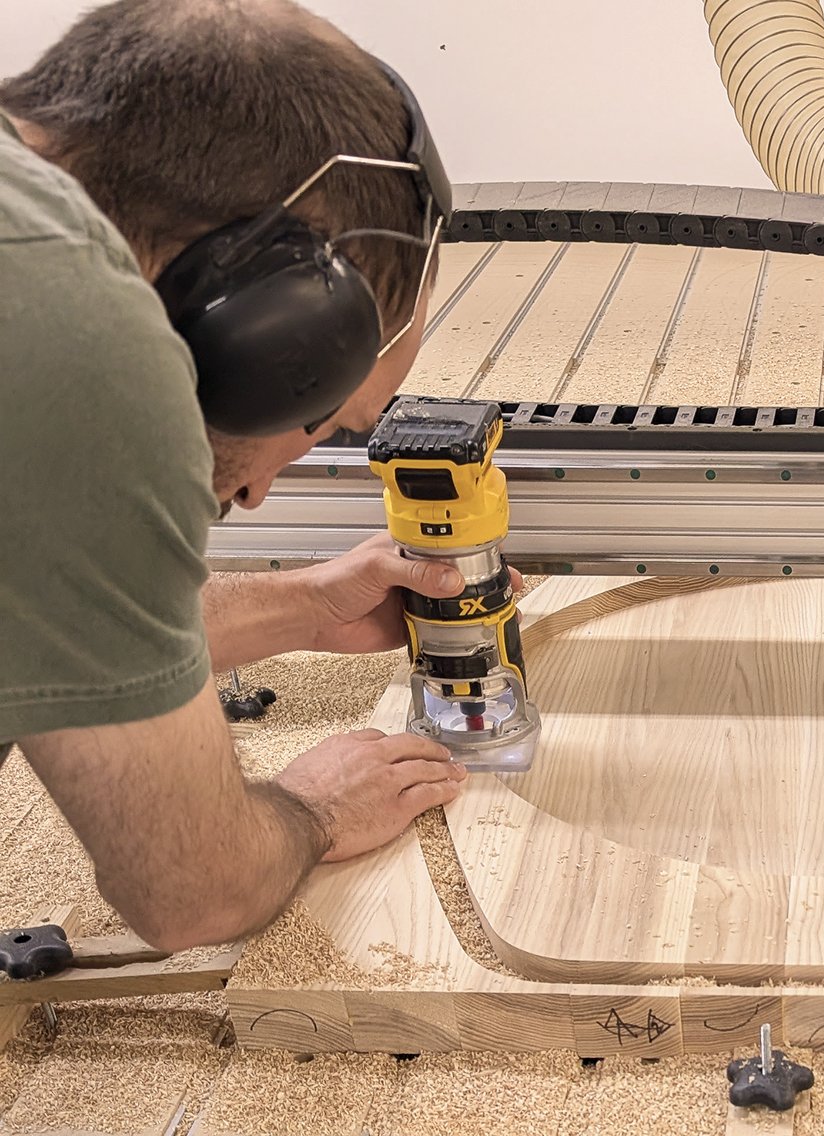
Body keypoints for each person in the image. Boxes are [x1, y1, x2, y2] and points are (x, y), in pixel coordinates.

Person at [0, 0, 492, 952]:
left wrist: (303, 608)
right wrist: (317, 809)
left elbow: (39, 598)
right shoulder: (83, 343)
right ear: (266, 328)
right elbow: (193, 890)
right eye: (318, 414)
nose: (260, 490)